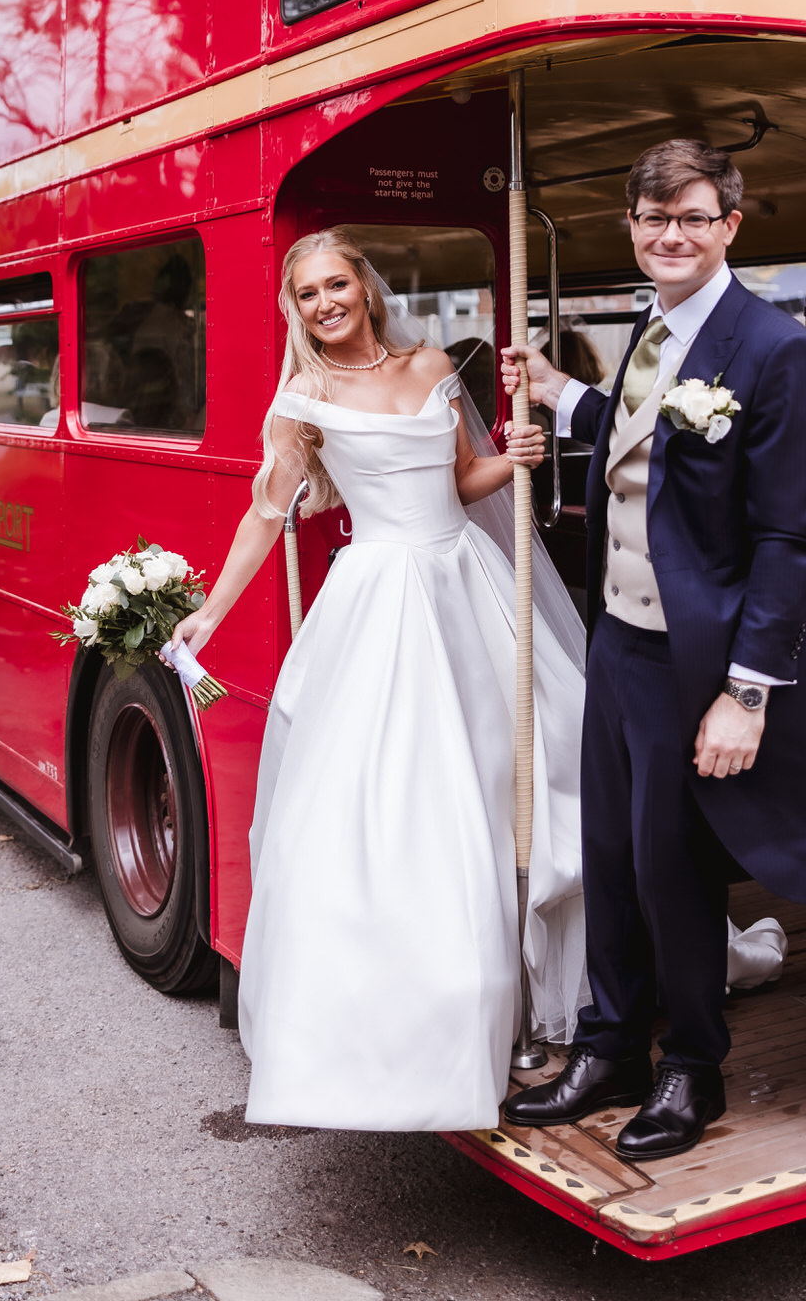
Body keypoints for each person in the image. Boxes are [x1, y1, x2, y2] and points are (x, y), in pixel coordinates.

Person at [501, 139, 806, 1161]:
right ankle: (610, 1046)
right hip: (618, 641)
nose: (672, 235)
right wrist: (551, 390)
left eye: (693, 218)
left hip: (694, 661)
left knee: (675, 867)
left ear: (730, 229)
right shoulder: (652, 329)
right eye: (654, 217)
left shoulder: (779, 350)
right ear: (632, 226)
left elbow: (791, 541)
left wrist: (745, 695)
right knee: (614, 856)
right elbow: (648, 441)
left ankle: (691, 1066)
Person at [168, 227, 589, 1130]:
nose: (323, 303)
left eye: (335, 284)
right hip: (381, 602)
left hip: (463, 583)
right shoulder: (302, 399)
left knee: (519, 767)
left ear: (364, 285)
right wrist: (212, 610)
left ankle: (525, 982)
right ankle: (410, 1023)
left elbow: (462, 477)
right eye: (306, 294)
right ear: (296, 309)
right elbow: (264, 515)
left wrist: (514, 458)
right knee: (402, 800)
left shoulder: (434, 363)